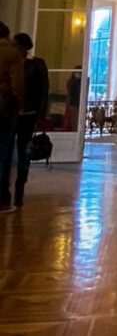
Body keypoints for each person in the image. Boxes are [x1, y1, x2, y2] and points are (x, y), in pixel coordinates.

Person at [1, 34, 48, 207]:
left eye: (15, 44)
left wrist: (41, 116)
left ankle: (20, 189)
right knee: (5, 152)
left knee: (24, 153)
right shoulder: (11, 60)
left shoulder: (37, 64)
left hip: (29, 114)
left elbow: (44, 90)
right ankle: (4, 191)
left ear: (23, 47)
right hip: (10, 114)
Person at [0, 21, 24, 214]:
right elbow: (17, 85)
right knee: (2, 154)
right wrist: (18, 105)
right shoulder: (12, 54)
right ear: (7, 36)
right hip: (4, 110)